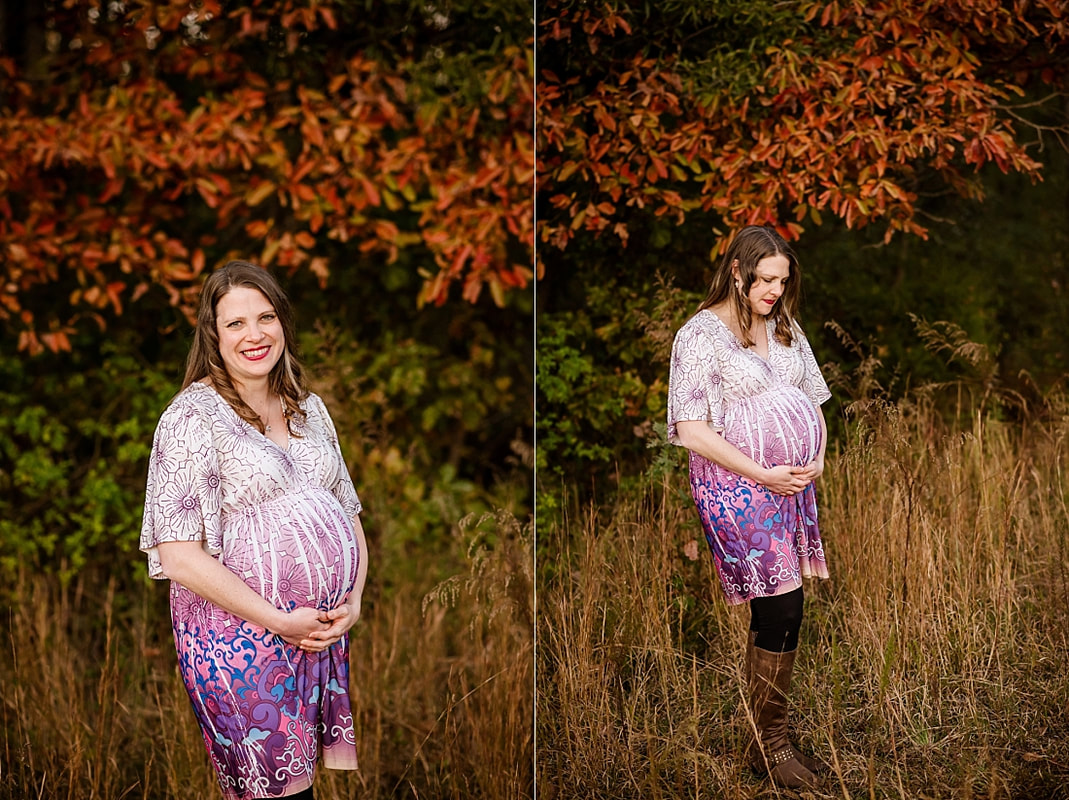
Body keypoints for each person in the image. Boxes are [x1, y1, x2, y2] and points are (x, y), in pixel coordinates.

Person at [140, 261, 368, 800]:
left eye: (265, 317)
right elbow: (177, 556)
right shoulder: (192, 416)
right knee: (271, 793)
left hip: (315, 634)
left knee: (299, 784)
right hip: (236, 639)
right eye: (235, 323)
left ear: (283, 322)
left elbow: (349, 514)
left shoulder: (310, 410)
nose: (254, 334)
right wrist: (277, 620)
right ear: (213, 335)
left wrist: (353, 601)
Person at [667, 225, 831, 790]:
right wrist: (761, 471)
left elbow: (813, 400)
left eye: (782, 281)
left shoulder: (784, 327)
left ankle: (765, 742)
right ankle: (772, 746)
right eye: (764, 280)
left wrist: (818, 457)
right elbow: (689, 430)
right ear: (736, 271)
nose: (774, 292)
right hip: (734, 483)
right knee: (782, 608)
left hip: (791, 485)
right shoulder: (698, 337)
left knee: (787, 609)